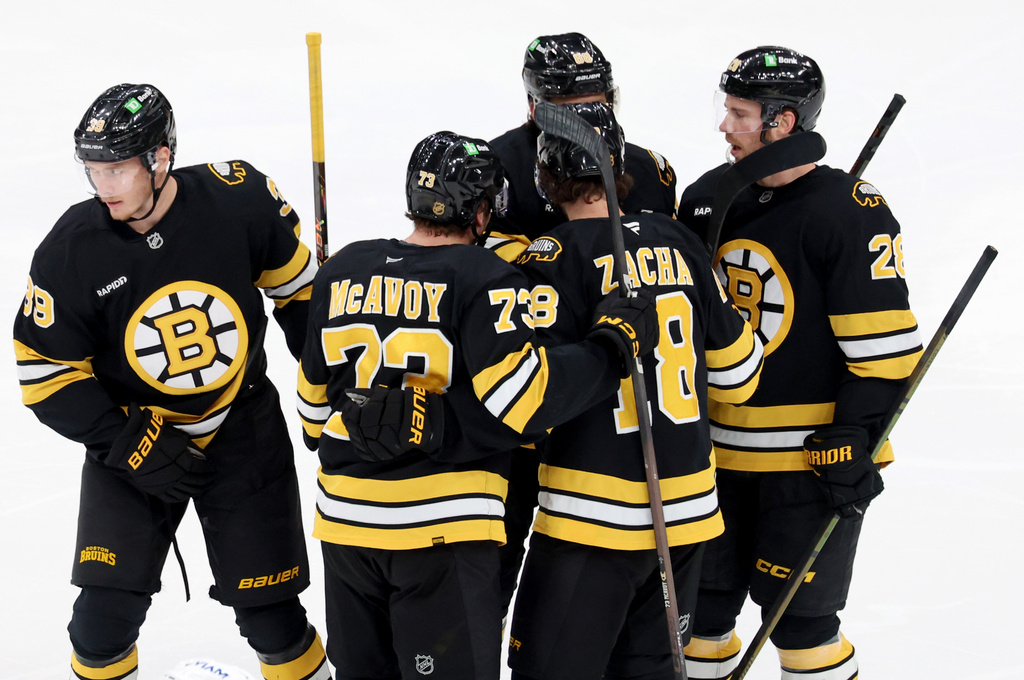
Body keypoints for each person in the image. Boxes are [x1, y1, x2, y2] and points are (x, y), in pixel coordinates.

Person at [295, 130, 658, 680]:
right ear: (482, 212)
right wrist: (609, 351)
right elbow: (524, 400)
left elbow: (313, 420)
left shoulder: (342, 267)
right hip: (444, 533)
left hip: (345, 529)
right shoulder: (488, 276)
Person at [13, 83, 329, 680]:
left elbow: (303, 298)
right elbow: (43, 372)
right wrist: (123, 439)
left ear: (160, 158)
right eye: (92, 170)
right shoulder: (72, 248)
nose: (101, 186)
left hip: (242, 430)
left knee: (274, 621)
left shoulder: (240, 200)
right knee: (99, 626)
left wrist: (336, 380)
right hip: (135, 438)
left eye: (115, 169)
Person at [676, 47, 925, 679]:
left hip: (809, 464)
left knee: (803, 627)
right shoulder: (707, 199)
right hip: (713, 456)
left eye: (739, 114)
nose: (725, 126)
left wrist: (855, 437)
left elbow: (886, 353)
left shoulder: (849, 211)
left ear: (782, 122)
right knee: (698, 618)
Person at [503, 102, 763, 680]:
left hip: (588, 519)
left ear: (546, 179)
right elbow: (738, 378)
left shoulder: (550, 257)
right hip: (689, 514)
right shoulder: (683, 242)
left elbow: (527, 406)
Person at [487, 31, 681, 617]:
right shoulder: (493, 167)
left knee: (602, 580)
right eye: (567, 106)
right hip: (529, 391)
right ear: (534, 106)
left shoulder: (647, 168)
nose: (586, 116)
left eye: (596, 100)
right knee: (491, 568)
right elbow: (475, 278)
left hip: (619, 406)